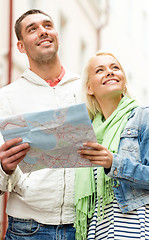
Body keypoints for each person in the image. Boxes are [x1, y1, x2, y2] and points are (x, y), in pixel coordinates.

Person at [0, 9, 81, 240]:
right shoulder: (6, 99)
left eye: (47, 25)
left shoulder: (86, 90)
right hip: (27, 229)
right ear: (21, 46)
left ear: (56, 34)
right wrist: (3, 166)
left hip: (84, 225)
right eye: (32, 29)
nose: (43, 31)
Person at [74, 52, 149, 240]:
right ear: (89, 88)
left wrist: (113, 163)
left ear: (123, 81)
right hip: (100, 231)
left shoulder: (144, 116)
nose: (109, 72)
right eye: (100, 70)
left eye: (115, 68)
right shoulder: (86, 133)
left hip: (138, 229)